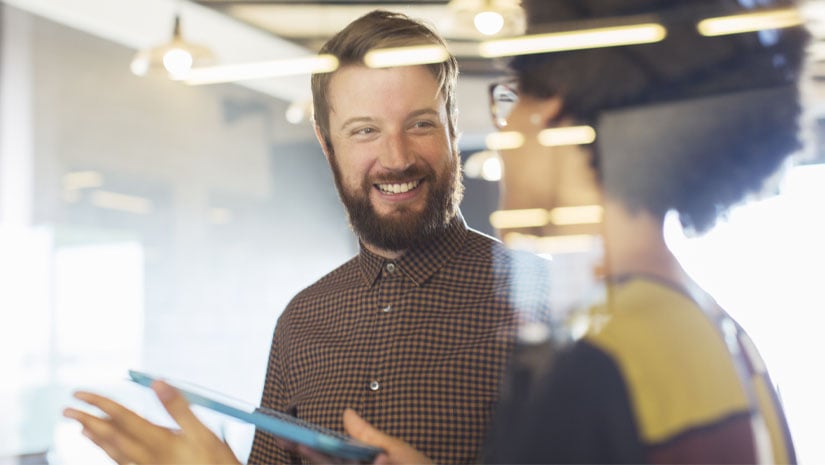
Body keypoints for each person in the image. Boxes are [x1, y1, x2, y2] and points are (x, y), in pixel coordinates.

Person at [62, 10, 553, 465]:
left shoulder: (545, 301)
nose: (397, 156)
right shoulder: (301, 322)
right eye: (365, 131)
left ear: (452, 126)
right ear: (326, 142)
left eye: (419, 124)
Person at [335, 0, 810, 463]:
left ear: (552, 111)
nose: (504, 134)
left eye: (511, 100)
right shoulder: (716, 328)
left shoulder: (592, 361)